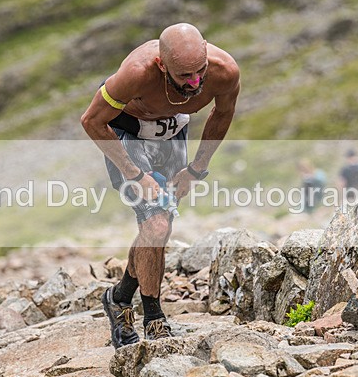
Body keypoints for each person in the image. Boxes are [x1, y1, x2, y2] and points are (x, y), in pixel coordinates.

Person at [80, 23, 240, 348]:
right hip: (127, 134)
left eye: (200, 71)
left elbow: (222, 114)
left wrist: (196, 169)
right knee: (155, 225)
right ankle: (154, 319)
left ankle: (119, 298)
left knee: (159, 228)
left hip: (172, 133)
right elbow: (92, 121)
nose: (194, 82)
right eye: (184, 75)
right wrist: (134, 174)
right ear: (161, 65)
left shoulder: (224, 71)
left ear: (206, 51)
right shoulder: (136, 73)